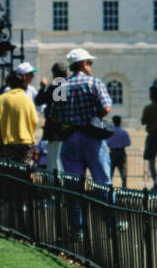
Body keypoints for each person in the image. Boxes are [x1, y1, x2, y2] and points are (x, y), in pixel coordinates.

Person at [47, 48, 112, 185]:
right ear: (83, 64)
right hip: (93, 136)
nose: (90, 66)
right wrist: (93, 118)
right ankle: (104, 207)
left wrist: (68, 121)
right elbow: (106, 108)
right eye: (89, 63)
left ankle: (76, 207)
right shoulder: (94, 82)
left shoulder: (60, 86)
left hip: (70, 137)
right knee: (102, 182)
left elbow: (54, 117)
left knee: (74, 185)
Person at [0, 62, 39, 165]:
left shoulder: (2, 98)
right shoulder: (28, 98)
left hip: (8, 140)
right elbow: (35, 120)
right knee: (24, 172)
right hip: (26, 140)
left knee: (9, 171)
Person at [35, 62, 70, 172]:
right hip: (67, 126)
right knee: (59, 157)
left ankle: (55, 184)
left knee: (54, 158)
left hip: (56, 128)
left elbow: (39, 100)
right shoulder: (69, 84)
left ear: (54, 74)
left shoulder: (57, 85)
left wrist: (42, 87)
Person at [106, 118, 131, 187]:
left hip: (112, 152)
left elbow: (107, 142)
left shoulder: (110, 132)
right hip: (121, 152)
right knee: (123, 172)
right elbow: (128, 143)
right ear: (120, 122)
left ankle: (109, 187)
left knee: (110, 172)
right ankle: (124, 187)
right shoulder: (123, 132)